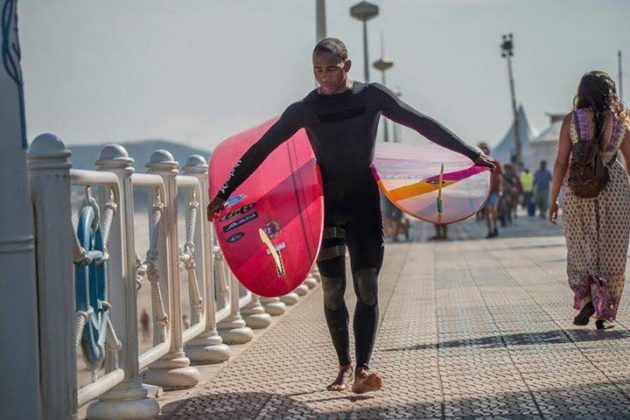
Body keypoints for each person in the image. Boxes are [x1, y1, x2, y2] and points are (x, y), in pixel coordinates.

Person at [207, 38, 495, 393]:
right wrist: (224, 192)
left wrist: (470, 153)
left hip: (363, 203)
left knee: (367, 286)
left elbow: (422, 123)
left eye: (331, 68)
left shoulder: (371, 96)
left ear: (347, 66)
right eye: (317, 70)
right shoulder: (304, 109)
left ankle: (363, 368)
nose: (324, 77)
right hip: (325, 210)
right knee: (332, 290)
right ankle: (343, 364)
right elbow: (260, 151)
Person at [549, 71, 630, 330]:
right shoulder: (620, 123)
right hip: (614, 187)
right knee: (612, 249)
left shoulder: (571, 121)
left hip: (579, 187)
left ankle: (586, 297)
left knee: (582, 244)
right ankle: (604, 312)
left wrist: (553, 199)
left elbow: (561, 161)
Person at [478, 142, 502, 238]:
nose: (484, 150)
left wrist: (500, 189)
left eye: (485, 148)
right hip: (484, 192)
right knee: (487, 212)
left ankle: (495, 226)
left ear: (488, 151)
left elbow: (500, 176)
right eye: (482, 149)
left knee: (493, 210)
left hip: (494, 191)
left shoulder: (495, 162)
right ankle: (490, 230)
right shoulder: (478, 164)